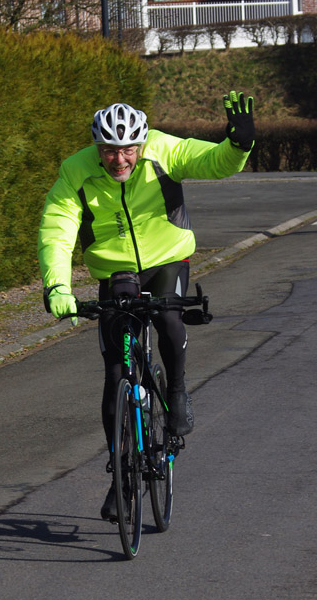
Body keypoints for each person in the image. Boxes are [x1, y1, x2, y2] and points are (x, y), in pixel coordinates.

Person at [38, 92, 255, 520]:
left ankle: (176, 392)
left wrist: (239, 145)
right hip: (116, 270)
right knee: (116, 375)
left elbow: (213, 162)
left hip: (168, 258)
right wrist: (57, 287)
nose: (118, 159)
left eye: (127, 149)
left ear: (141, 144)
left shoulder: (163, 150)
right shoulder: (76, 171)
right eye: (108, 150)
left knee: (169, 317)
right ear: (96, 147)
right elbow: (57, 229)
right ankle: (121, 477)